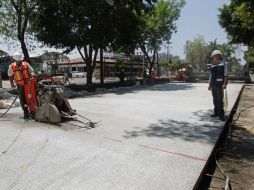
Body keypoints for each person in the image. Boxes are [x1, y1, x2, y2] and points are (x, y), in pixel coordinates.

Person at [8, 52, 35, 119]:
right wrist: (12, 83)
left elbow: (32, 71)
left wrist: (32, 74)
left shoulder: (26, 64)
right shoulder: (11, 67)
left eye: (20, 61)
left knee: (30, 98)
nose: (19, 62)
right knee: (22, 100)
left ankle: (32, 112)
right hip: (19, 85)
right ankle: (26, 113)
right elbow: (10, 76)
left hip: (28, 84)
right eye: (18, 61)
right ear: (14, 60)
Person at [208, 50, 228, 121]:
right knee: (215, 99)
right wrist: (209, 84)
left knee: (220, 100)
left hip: (220, 85)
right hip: (213, 84)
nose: (212, 58)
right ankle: (216, 112)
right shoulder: (212, 65)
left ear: (217, 56)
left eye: (213, 56)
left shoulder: (224, 64)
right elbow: (211, 75)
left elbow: (225, 74)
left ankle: (221, 114)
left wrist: (224, 84)